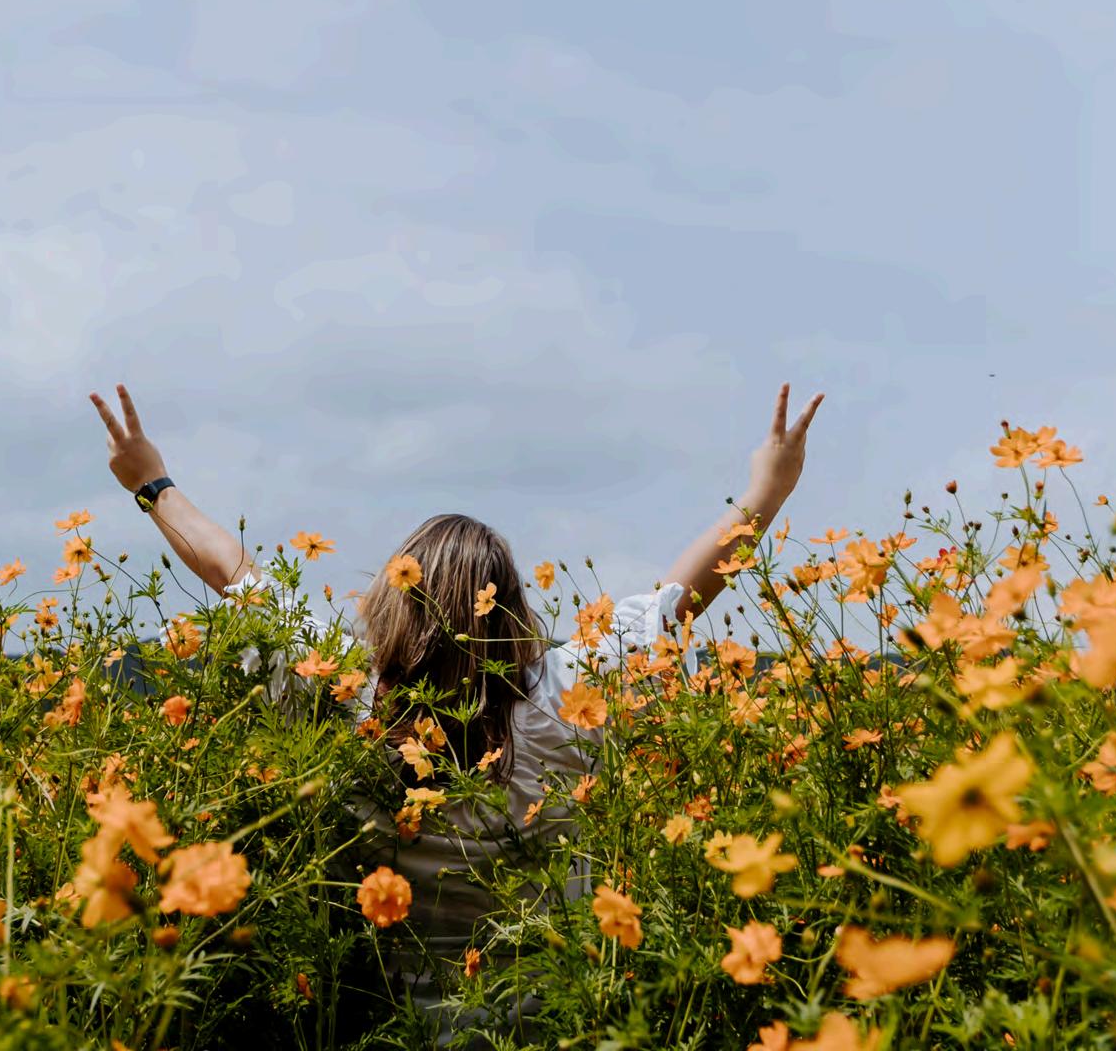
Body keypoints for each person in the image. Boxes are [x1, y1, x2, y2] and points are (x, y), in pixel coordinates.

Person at [88, 381, 822, 1022]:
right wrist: (768, 489)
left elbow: (234, 572)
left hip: (389, 1027)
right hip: (552, 1026)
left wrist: (152, 483)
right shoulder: (568, 697)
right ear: (514, 610)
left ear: (391, 600)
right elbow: (680, 600)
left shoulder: (339, 696)